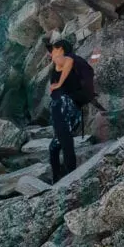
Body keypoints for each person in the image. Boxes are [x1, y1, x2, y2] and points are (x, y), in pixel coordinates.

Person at [46, 38, 82, 183]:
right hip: (68, 110)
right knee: (54, 147)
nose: (51, 53)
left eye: (54, 50)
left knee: (65, 144)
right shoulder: (62, 65)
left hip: (64, 109)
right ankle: (59, 178)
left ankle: (69, 180)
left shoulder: (64, 63)